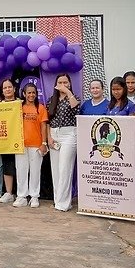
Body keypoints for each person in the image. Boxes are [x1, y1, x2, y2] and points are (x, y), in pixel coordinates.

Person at [47, 73, 80, 212]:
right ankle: (57, 200)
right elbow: (48, 120)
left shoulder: (74, 98)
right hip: (54, 134)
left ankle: (64, 203)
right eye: (60, 82)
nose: (62, 85)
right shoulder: (51, 100)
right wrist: (48, 137)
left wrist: (67, 92)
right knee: (56, 170)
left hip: (69, 135)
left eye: (65, 82)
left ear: (70, 83)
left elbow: (75, 108)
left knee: (65, 169)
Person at [16, 82, 48, 208]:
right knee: (21, 171)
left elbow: (43, 126)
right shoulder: (18, 107)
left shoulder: (40, 108)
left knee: (35, 171)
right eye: (28, 92)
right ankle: (22, 197)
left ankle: (34, 197)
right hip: (20, 145)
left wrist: (44, 143)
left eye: (33, 92)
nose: (31, 95)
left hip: (36, 145)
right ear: (24, 94)